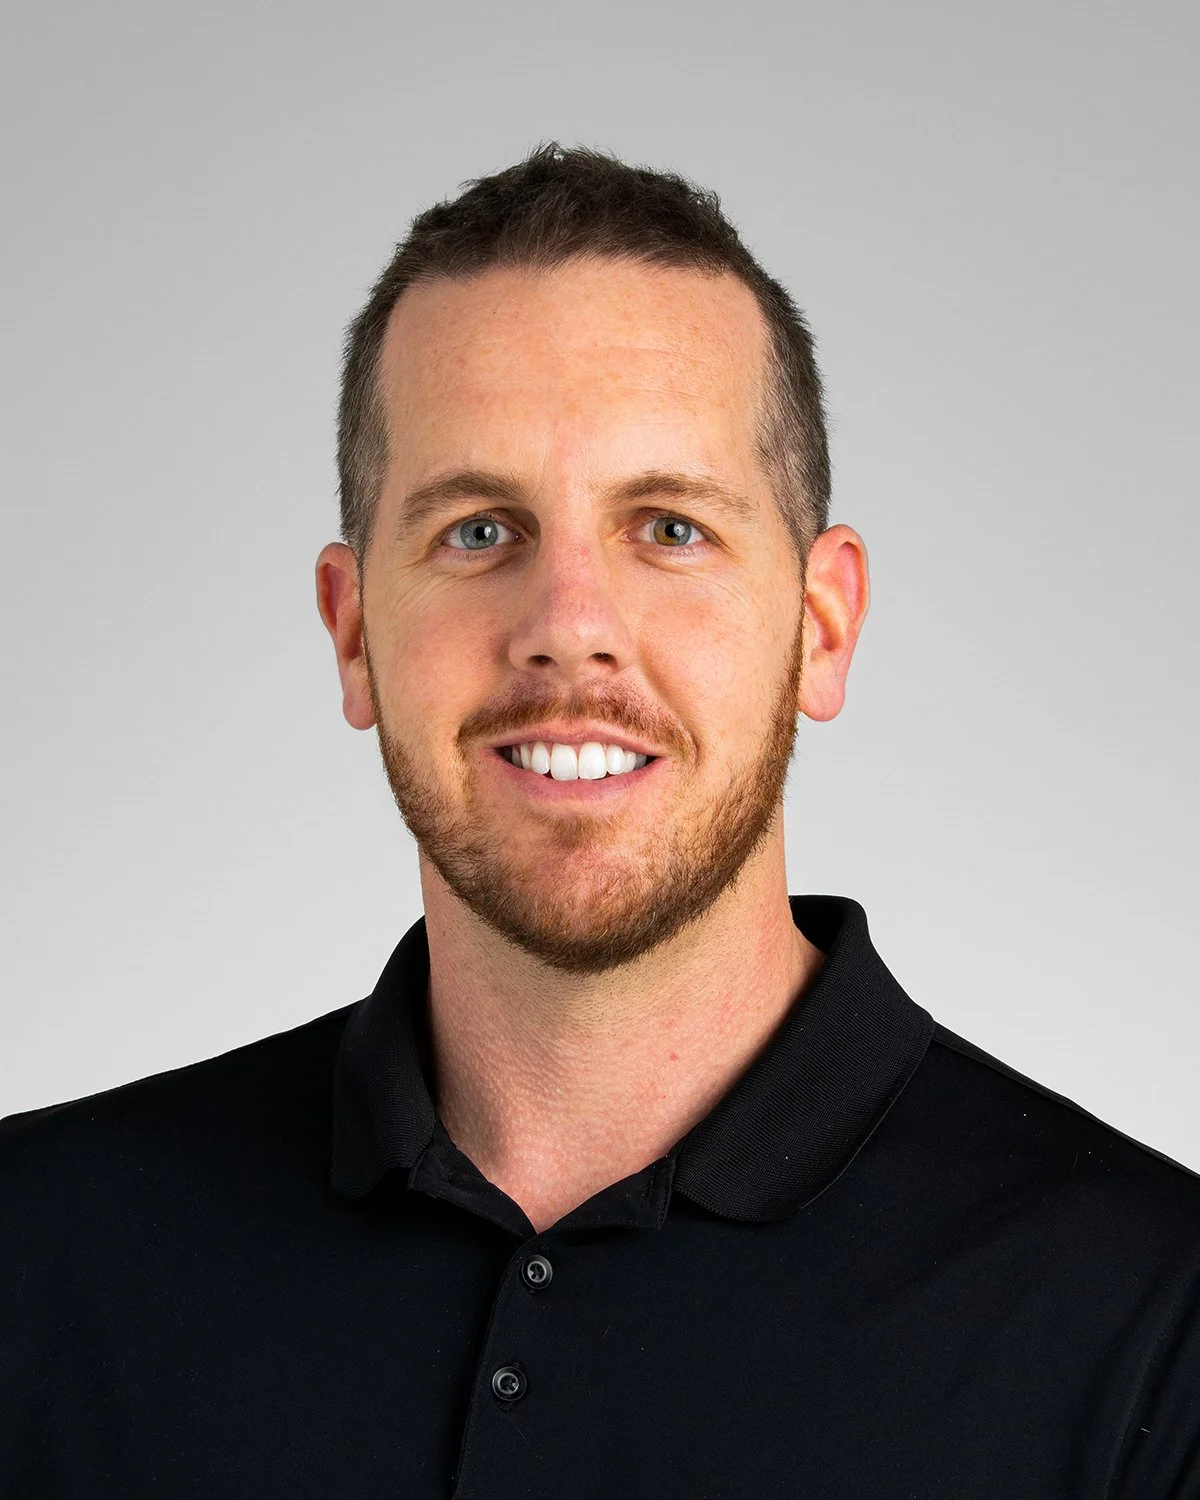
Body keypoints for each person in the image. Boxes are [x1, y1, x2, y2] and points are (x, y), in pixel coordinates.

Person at [2, 143, 1197, 1500]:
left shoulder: (1154, 1332)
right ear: (351, 635)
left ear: (823, 623)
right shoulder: (36, 1262)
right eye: (476, 531)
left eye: (671, 529)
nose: (569, 628)